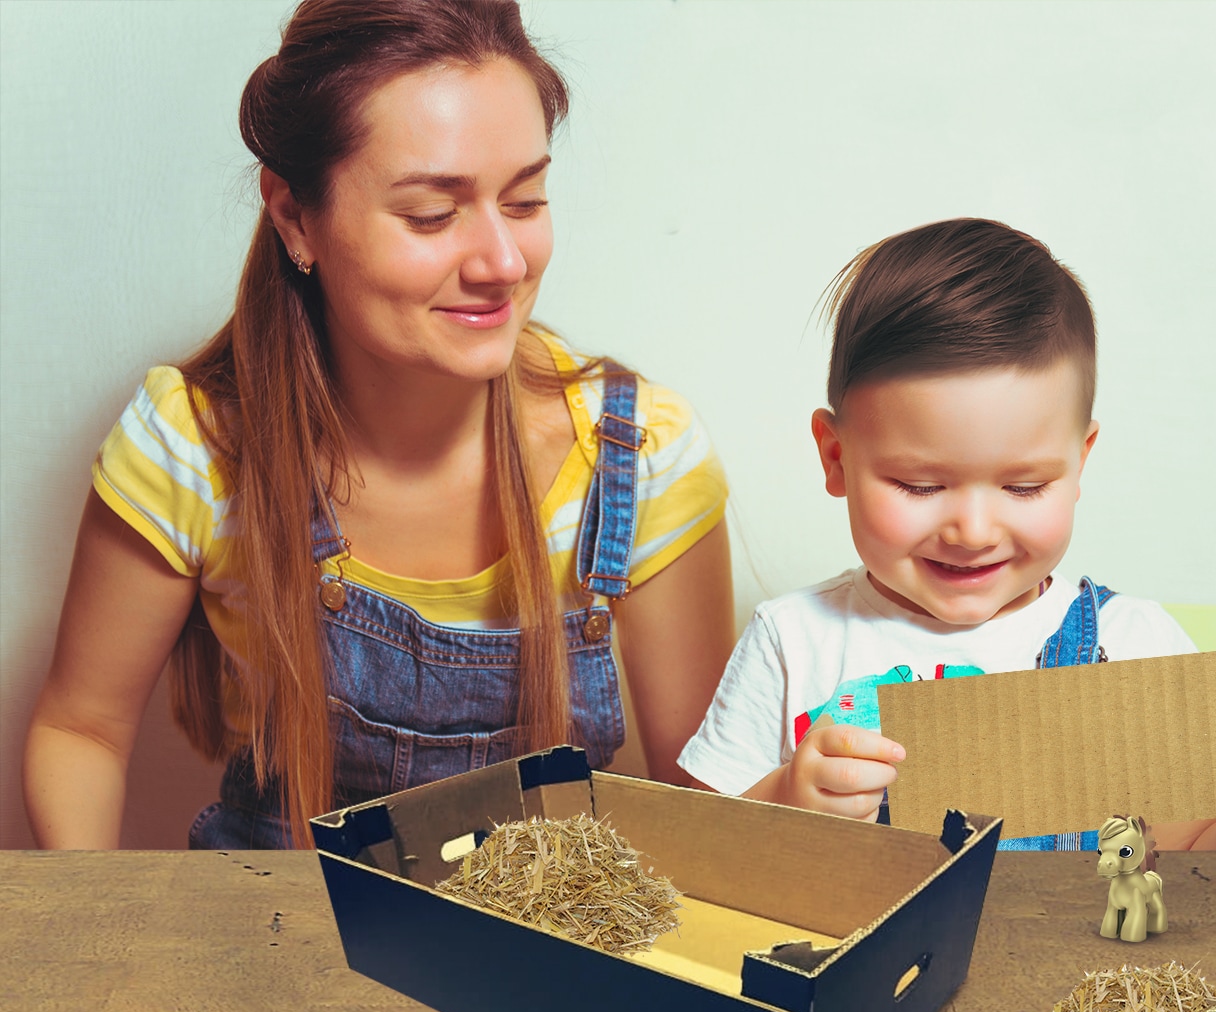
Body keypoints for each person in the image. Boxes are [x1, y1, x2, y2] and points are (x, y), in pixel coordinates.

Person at [23, 0, 733, 850]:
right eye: (433, 215)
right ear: (294, 216)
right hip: (276, 932)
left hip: (542, 942)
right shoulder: (195, 446)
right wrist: (105, 949)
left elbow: (707, 798)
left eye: (526, 199)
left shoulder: (641, 453)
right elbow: (81, 732)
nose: (502, 263)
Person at [678, 218, 1216, 851]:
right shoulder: (791, 639)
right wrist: (786, 801)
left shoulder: (1136, 646)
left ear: (1080, 461)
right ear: (835, 457)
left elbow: (1204, 878)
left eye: (1023, 487)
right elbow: (696, 857)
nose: (973, 530)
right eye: (919, 486)